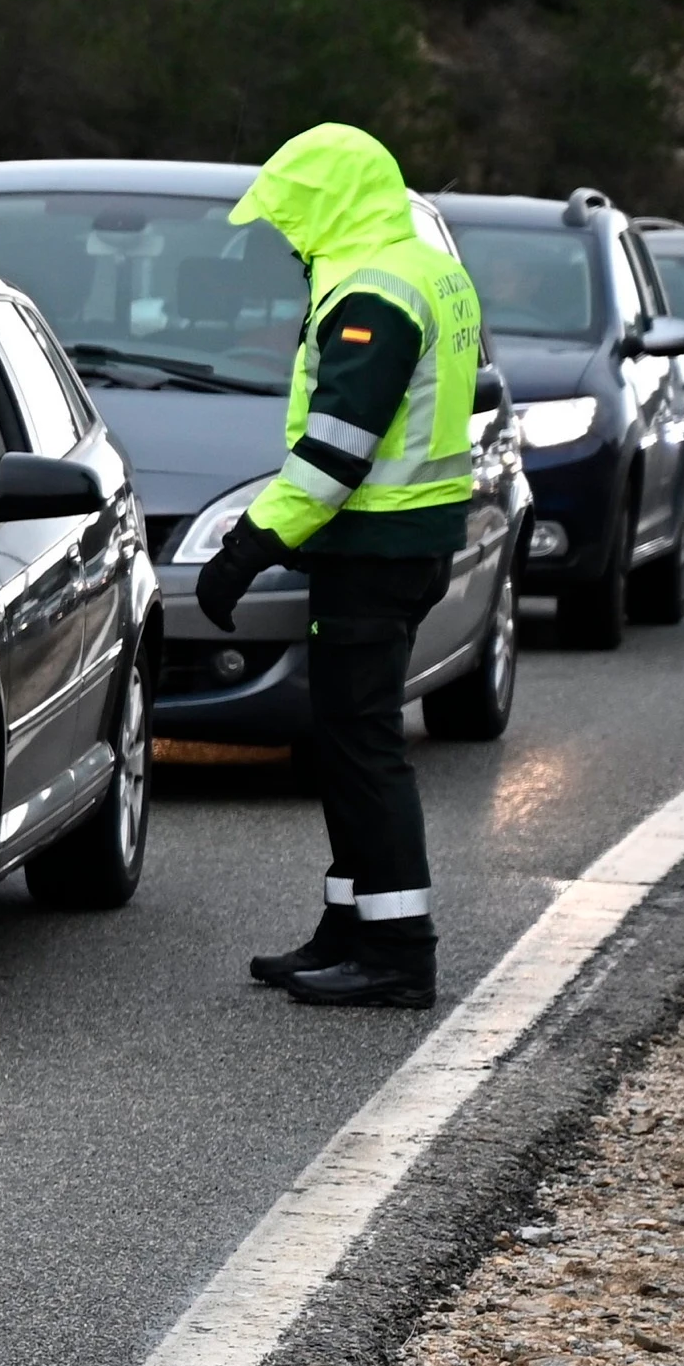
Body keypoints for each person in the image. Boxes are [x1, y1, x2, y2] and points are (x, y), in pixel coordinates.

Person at [197, 122, 487, 1011]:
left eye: (292, 218)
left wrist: (248, 546)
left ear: (327, 207)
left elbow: (334, 455)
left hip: (376, 545)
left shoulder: (374, 292)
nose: (285, 238)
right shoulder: (414, 261)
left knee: (362, 747)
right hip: (404, 539)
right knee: (346, 740)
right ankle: (351, 925)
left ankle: (398, 951)